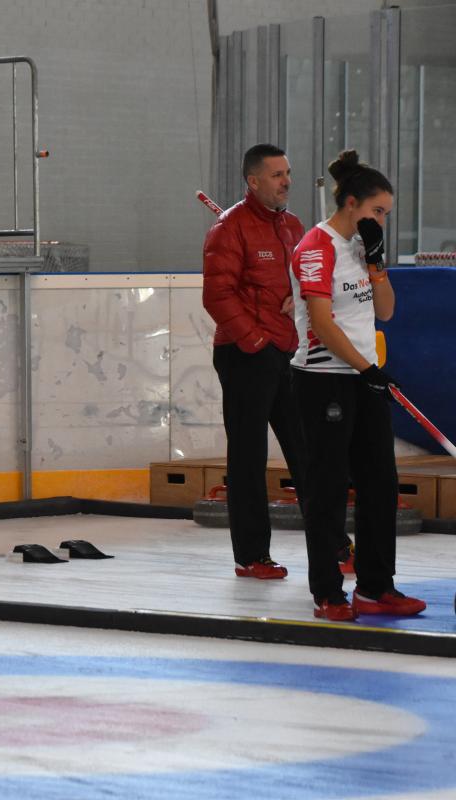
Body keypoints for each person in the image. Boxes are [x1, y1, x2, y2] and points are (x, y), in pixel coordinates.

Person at [289, 150, 426, 621]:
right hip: (324, 379)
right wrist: (366, 369)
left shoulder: (359, 247)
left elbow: (385, 310)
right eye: (377, 211)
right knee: (327, 489)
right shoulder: (316, 246)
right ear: (351, 203)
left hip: (363, 377)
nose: (382, 220)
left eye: (386, 213)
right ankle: (327, 591)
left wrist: (376, 261)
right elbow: (322, 323)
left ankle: (375, 587)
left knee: (381, 484)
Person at [202, 143, 314, 580]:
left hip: (289, 352)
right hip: (245, 355)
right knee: (248, 457)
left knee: (308, 450)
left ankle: (334, 545)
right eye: (276, 175)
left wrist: (299, 300)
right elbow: (217, 295)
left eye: (287, 173)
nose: (287, 181)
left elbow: (305, 280)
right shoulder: (229, 228)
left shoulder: (293, 226)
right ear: (253, 181)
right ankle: (251, 555)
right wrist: (256, 341)